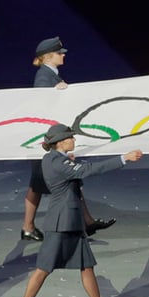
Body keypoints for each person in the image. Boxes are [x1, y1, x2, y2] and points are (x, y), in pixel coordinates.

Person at [14, 123, 142, 297]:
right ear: (60, 142)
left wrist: (67, 160)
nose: (74, 140)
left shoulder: (52, 159)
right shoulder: (58, 163)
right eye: (71, 138)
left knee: (87, 267)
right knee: (43, 269)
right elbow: (88, 170)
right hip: (61, 224)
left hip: (70, 222)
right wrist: (123, 158)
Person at [21, 36, 115, 242]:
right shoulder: (44, 78)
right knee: (38, 184)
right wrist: (56, 93)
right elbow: (41, 106)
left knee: (62, 180)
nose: (63, 55)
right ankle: (28, 227)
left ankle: (87, 221)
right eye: (59, 53)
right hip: (47, 141)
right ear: (48, 57)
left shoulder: (51, 75)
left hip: (53, 140)